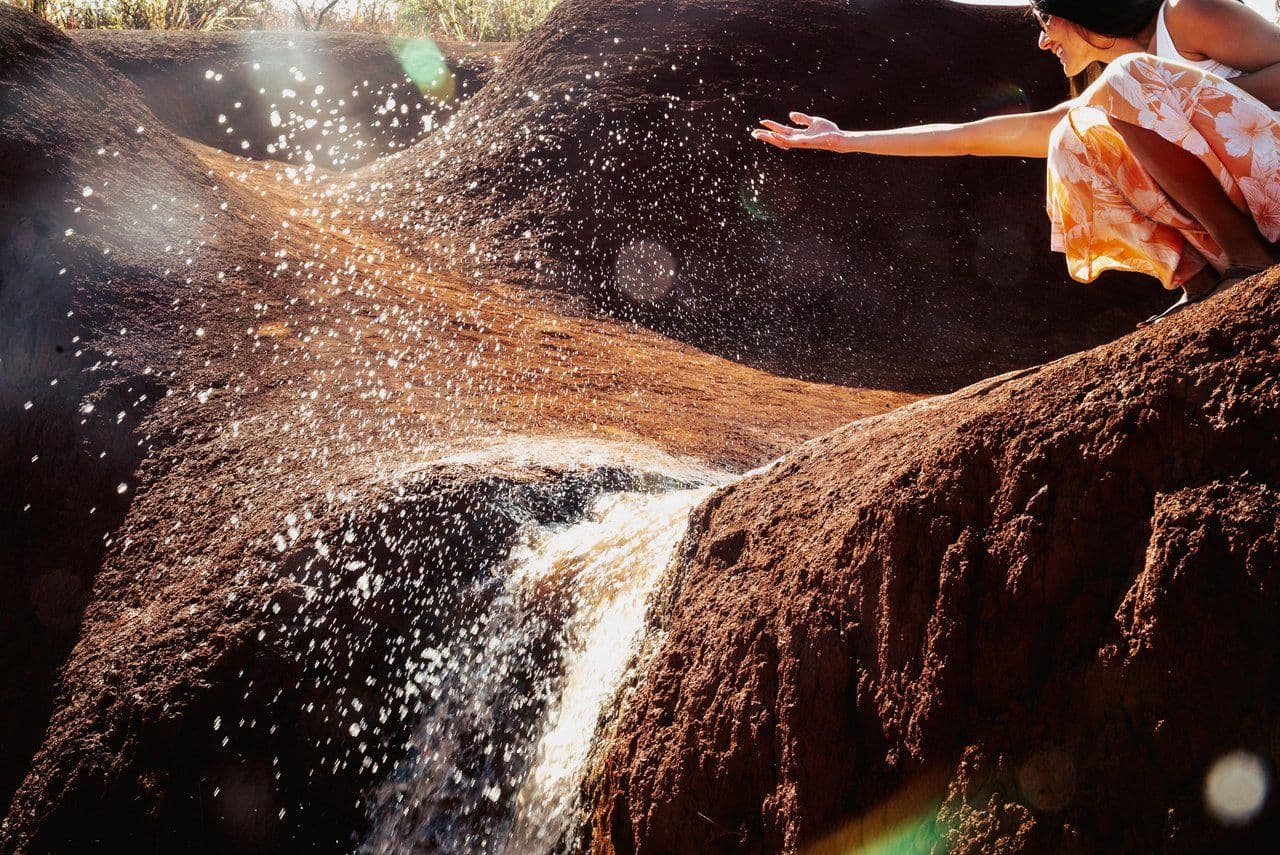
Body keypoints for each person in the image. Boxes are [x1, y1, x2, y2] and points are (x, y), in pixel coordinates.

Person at [753, 0, 1280, 326]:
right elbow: (973, 138)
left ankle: (1247, 257)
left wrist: (1190, 102)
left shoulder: (1185, 14)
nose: (1042, 39)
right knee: (1072, 141)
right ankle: (1201, 281)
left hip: (1271, 167)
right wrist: (845, 140)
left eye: (1046, 19)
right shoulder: (1122, 91)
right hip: (1238, 185)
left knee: (1125, 84)